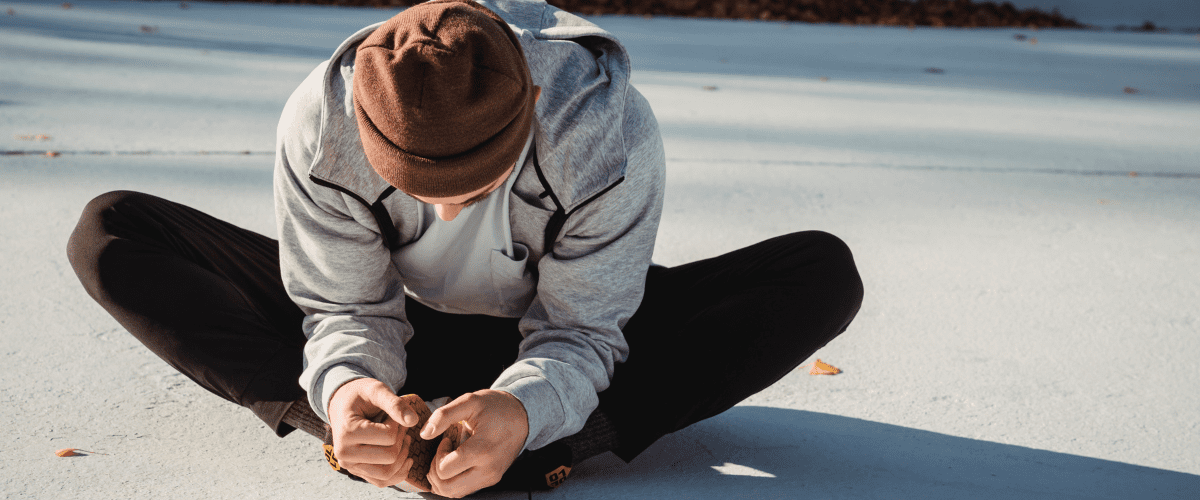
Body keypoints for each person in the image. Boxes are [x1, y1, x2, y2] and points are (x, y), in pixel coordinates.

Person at [66, 0, 863, 497]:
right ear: (362, 128)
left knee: (819, 272)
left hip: (555, 318)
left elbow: (583, 329)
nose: (444, 207)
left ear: (536, 105)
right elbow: (343, 305)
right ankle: (372, 440)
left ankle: (527, 449)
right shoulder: (320, 119)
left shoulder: (605, 130)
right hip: (397, 322)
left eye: (476, 183)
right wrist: (347, 392)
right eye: (413, 182)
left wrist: (525, 411)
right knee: (112, 232)